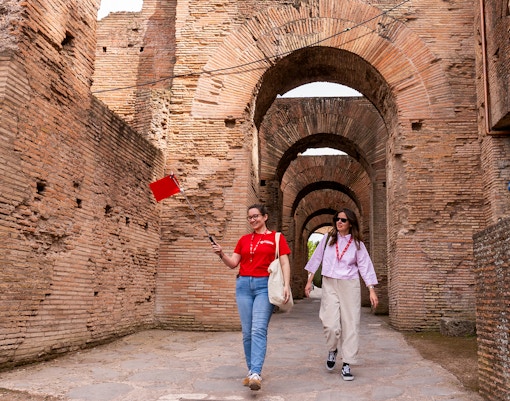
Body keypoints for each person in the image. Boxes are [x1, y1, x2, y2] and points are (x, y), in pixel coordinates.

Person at [211, 204, 292, 391]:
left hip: (265, 286)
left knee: (258, 329)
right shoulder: (244, 239)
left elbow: (284, 262)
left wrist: (286, 285)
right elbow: (233, 263)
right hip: (243, 287)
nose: (253, 220)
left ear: (265, 217)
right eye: (250, 217)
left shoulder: (276, 238)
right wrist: (221, 253)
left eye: (256, 216)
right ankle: (251, 372)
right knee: (247, 332)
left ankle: (256, 372)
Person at [304, 208, 378, 381]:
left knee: (351, 324)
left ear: (350, 223)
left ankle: (347, 363)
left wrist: (371, 289)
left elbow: (365, 266)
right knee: (330, 324)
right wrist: (309, 281)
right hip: (329, 283)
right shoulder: (328, 239)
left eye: (343, 220)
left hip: (349, 285)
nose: (339, 222)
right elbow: (316, 259)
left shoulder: (357, 244)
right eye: (337, 219)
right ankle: (332, 349)